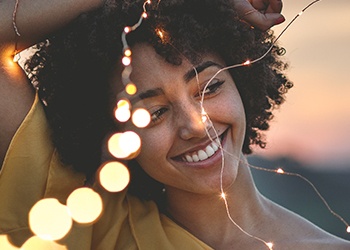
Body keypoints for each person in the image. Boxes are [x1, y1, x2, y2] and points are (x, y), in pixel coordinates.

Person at [0, 0, 349, 249]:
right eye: (154, 113)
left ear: (244, 81)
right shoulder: (89, 229)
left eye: (210, 87)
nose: (195, 125)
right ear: (111, 131)